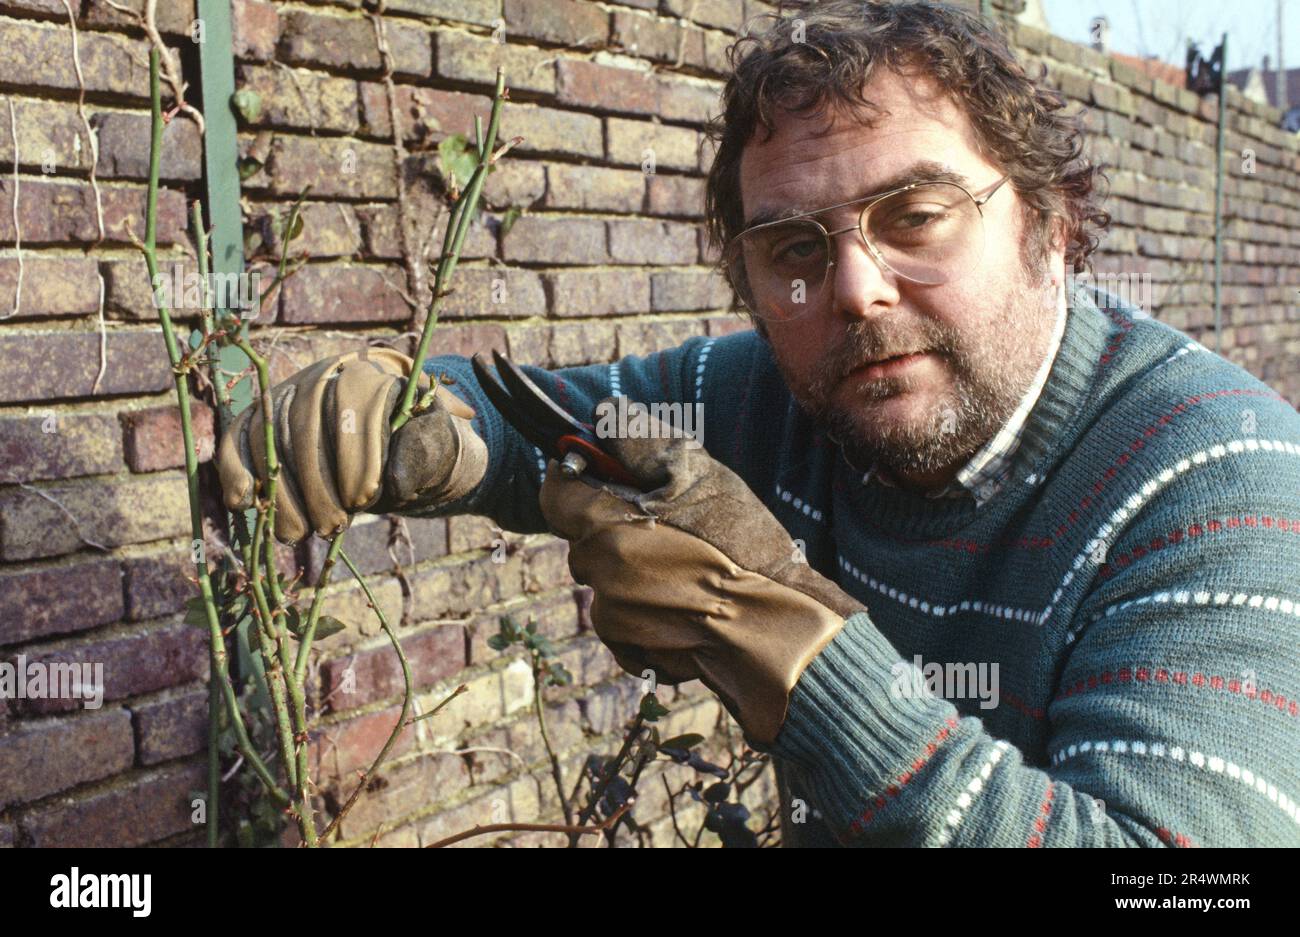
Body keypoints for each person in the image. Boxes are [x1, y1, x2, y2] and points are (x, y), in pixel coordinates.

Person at [217, 0, 1300, 846]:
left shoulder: (1217, 479)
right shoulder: (775, 398)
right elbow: (550, 426)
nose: (855, 288)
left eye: (913, 216)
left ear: (1051, 226)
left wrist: (801, 656)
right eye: (791, 248)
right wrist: (425, 425)